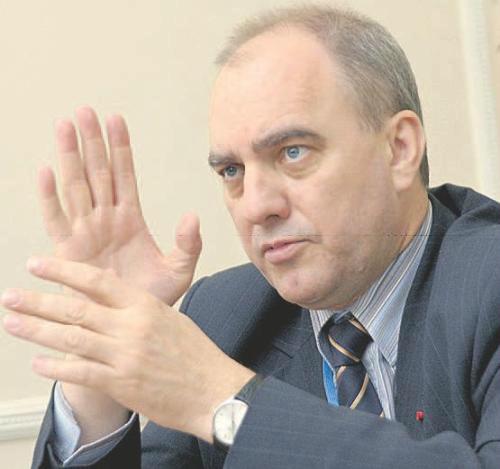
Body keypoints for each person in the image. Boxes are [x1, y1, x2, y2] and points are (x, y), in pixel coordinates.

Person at [1, 5, 499, 468]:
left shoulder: (489, 282)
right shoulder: (227, 316)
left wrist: (224, 402)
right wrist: (101, 361)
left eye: (293, 152)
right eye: (232, 171)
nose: (257, 206)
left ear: (399, 149)